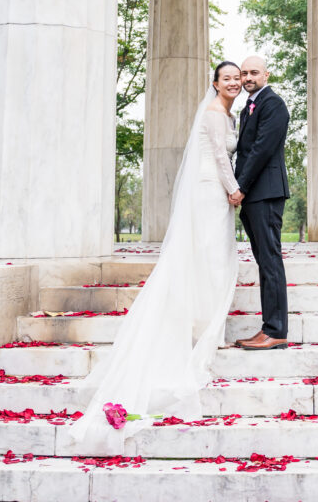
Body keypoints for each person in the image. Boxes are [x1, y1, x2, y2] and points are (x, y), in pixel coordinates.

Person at [70, 61, 242, 451]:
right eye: (226, 78)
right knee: (212, 257)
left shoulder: (226, 112)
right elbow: (218, 157)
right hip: (210, 188)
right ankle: (204, 325)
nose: (233, 82)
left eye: (236, 78)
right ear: (215, 83)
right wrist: (234, 189)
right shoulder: (216, 114)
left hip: (212, 188)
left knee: (212, 257)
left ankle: (203, 320)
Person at [229, 55, 290, 350]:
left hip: (265, 192)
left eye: (254, 72)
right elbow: (244, 150)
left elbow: (262, 150)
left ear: (266, 75)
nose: (248, 77)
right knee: (264, 262)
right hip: (255, 194)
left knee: (270, 262)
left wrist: (240, 186)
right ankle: (268, 327)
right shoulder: (248, 108)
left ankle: (276, 330)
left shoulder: (273, 104)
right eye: (244, 73)